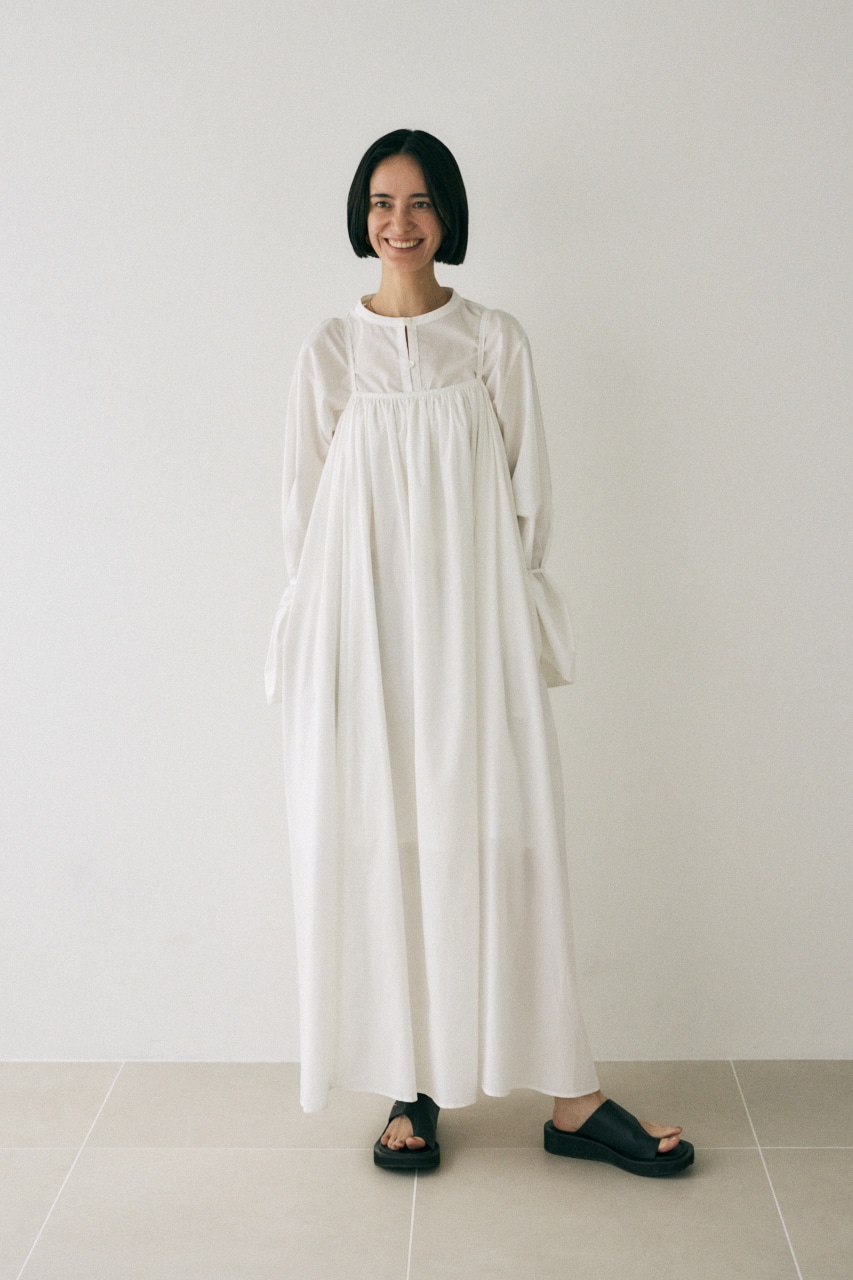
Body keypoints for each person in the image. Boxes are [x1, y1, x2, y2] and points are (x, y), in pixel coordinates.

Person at [265, 129, 694, 1178]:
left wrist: (519, 620)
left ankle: (571, 1093)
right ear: (361, 215)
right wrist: (310, 639)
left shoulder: (492, 341)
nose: (398, 222)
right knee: (388, 840)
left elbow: (528, 491)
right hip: (366, 635)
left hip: (475, 624)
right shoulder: (330, 351)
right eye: (381, 202)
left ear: (447, 214)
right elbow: (303, 513)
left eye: (418, 202)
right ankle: (409, 1080)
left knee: (511, 835)